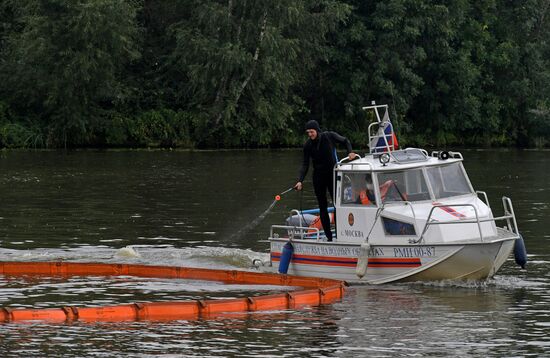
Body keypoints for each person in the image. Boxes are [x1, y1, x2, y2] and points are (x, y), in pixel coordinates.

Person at [294, 120, 356, 241]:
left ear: (317, 130)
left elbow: (345, 141)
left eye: (311, 132)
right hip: (318, 177)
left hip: (333, 174)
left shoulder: (329, 136)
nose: (310, 134)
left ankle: (341, 234)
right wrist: (300, 180)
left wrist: (350, 152)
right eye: (308, 132)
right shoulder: (308, 145)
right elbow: (305, 164)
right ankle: (329, 238)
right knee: (322, 206)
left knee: (337, 205)